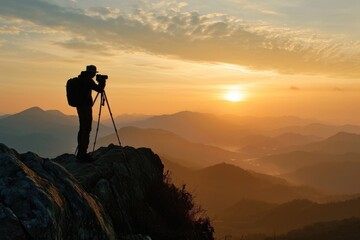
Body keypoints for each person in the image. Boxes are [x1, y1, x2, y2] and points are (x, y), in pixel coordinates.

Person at [76, 65, 105, 161]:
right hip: (85, 107)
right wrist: (102, 82)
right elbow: (99, 89)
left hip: (80, 106)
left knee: (82, 128)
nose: (94, 75)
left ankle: (80, 151)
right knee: (87, 128)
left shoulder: (80, 79)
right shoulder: (88, 80)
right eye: (94, 73)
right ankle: (82, 153)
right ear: (91, 73)